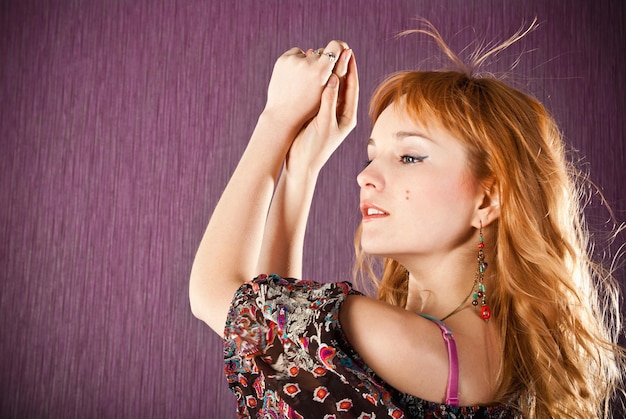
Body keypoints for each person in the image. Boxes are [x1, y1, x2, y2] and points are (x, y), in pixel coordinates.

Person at [189, 23, 624, 418]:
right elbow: (282, 353)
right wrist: (301, 170)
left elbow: (214, 293)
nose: (365, 176)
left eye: (410, 156)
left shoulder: (415, 345)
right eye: (372, 155)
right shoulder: (492, 351)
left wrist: (276, 118)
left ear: (488, 198)